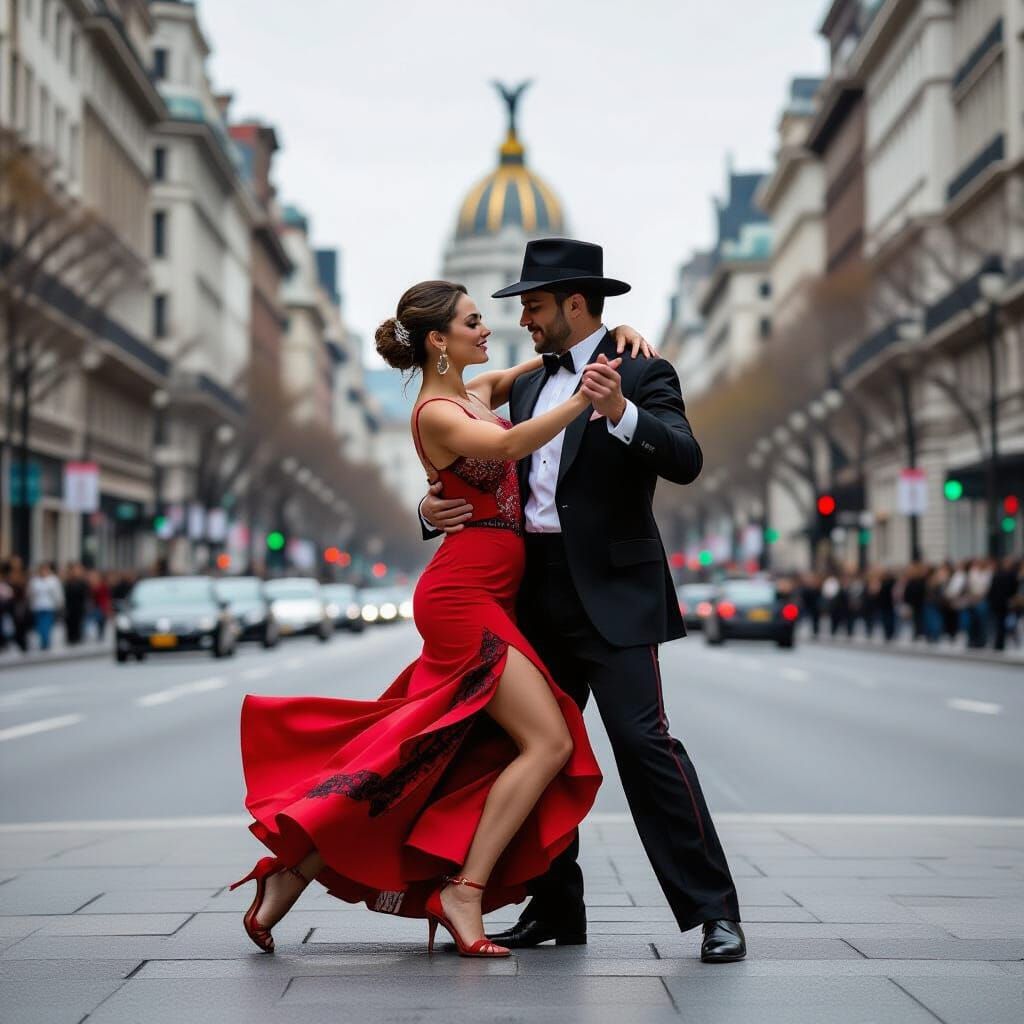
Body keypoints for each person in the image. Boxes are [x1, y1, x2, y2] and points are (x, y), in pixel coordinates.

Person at [232, 278, 650, 958]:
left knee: (433, 753)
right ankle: (466, 888)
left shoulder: (474, 394)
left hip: (489, 593)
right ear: (438, 340)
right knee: (548, 744)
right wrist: (588, 398)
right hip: (461, 598)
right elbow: (512, 450)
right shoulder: (436, 411)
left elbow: (539, 366)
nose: (489, 330)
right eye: (473, 322)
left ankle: (295, 869)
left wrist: (615, 342)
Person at [421, 239, 744, 963]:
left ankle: (714, 912)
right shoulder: (532, 384)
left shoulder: (645, 369)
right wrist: (427, 507)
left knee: (643, 744)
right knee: (535, 750)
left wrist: (624, 410)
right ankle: (556, 904)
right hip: (529, 591)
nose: (524, 320)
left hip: (617, 593)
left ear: (574, 303)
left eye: (533, 306)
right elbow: (464, 460)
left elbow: (685, 460)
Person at [27, 562, 64, 650]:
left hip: (49, 606)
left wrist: (59, 604)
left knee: (47, 625)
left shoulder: (53, 580)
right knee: (40, 626)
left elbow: (58, 594)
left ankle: (46, 642)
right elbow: (30, 594)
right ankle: (43, 641)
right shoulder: (34, 581)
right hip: (38, 607)